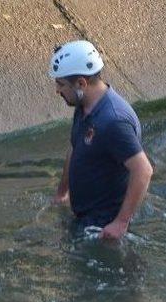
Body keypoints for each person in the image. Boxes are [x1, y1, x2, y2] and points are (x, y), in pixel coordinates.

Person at [49, 40, 153, 240]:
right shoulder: (83, 105)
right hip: (84, 217)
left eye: (61, 84)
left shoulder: (113, 121)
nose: (57, 90)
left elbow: (143, 170)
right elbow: (75, 147)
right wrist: (63, 192)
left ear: (81, 83)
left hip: (104, 227)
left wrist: (120, 223)